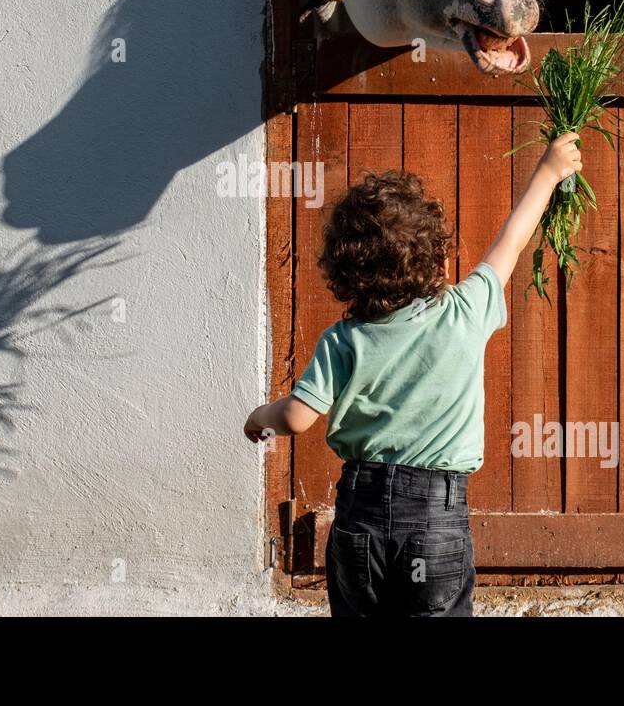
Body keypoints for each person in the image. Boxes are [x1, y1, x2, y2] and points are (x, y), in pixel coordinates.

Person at [242, 133, 582, 616]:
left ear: (347, 273)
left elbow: (296, 418)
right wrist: (548, 172)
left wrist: (259, 417)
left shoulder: (344, 340)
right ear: (438, 263)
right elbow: (512, 238)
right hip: (436, 522)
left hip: (360, 520)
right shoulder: (464, 311)